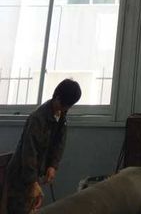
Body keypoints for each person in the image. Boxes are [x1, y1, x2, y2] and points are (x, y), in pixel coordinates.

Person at [3, 79, 82, 214]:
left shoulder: (60, 115)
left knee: (32, 208)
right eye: (65, 105)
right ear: (57, 98)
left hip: (35, 174)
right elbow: (29, 152)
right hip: (21, 175)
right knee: (20, 210)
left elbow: (59, 142)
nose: (66, 109)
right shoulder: (37, 119)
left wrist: (52, 165)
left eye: (69, 106)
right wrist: (32, 182)